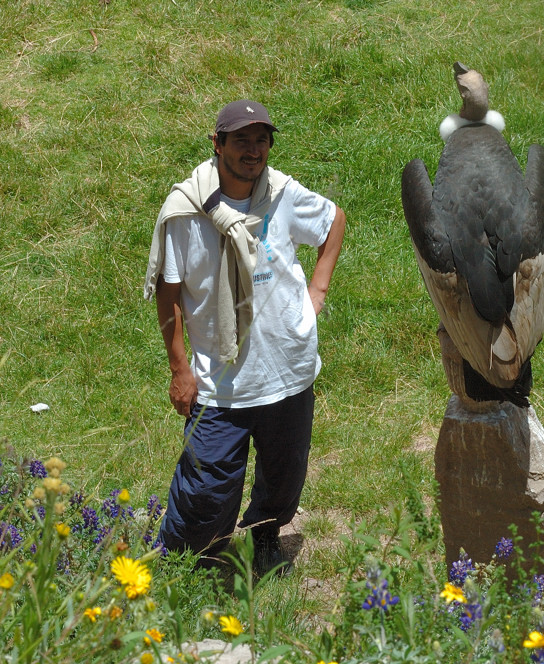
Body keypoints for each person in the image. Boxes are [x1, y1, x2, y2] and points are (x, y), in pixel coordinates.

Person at [143, 99, 346, 574]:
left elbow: (334, 221)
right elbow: (169, 296)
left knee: (284, 474)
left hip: (287, 368)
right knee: (206, 486)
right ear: (217, 144)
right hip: (220, 381)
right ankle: (187, 563)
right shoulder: (184, 212)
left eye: (261, 140)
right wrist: (179, 370)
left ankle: (265, 537)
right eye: (241, 140)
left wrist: (317, 290)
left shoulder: (283, 193)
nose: (253, 151)